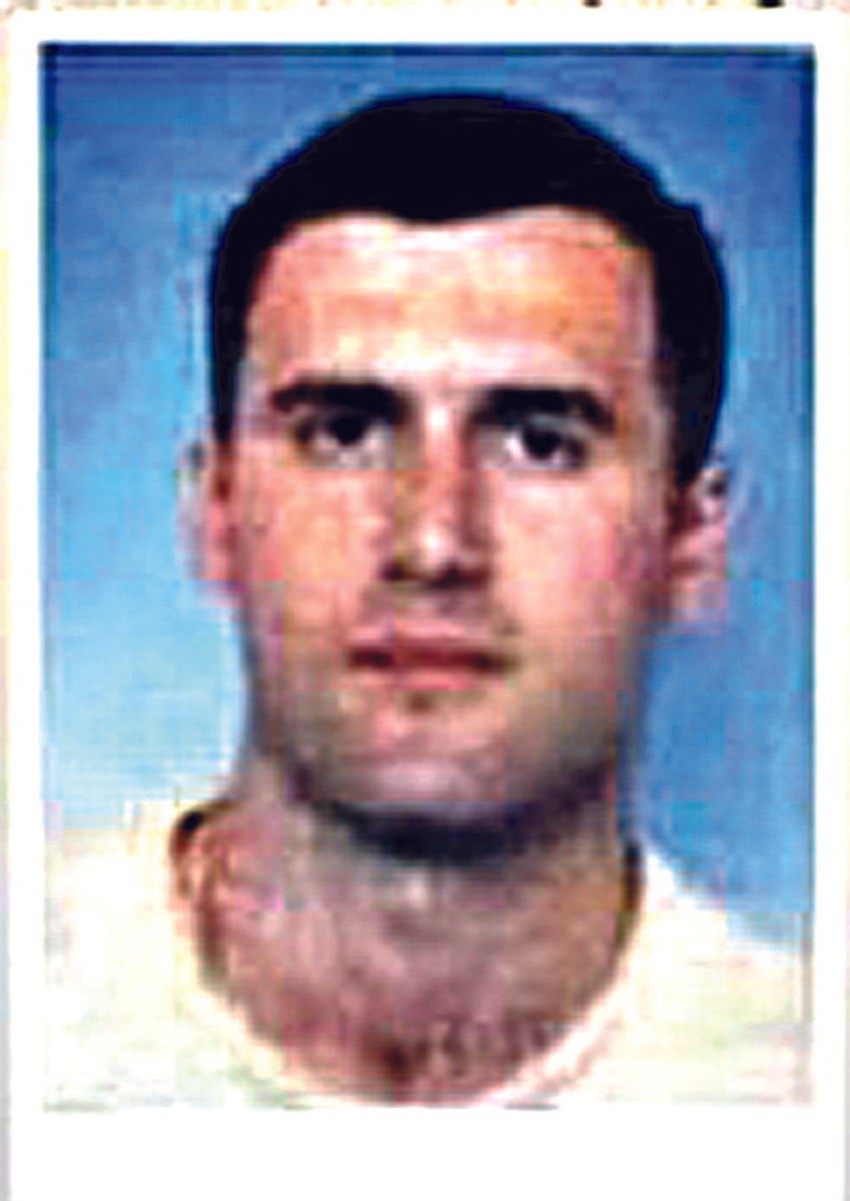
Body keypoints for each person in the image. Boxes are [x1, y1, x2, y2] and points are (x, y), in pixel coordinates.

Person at [47, 93, 808, 1108]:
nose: (434, 545)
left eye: (541, 443)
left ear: (691, 540)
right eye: (341, 433)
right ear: (215, 513)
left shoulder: (797, 1078)